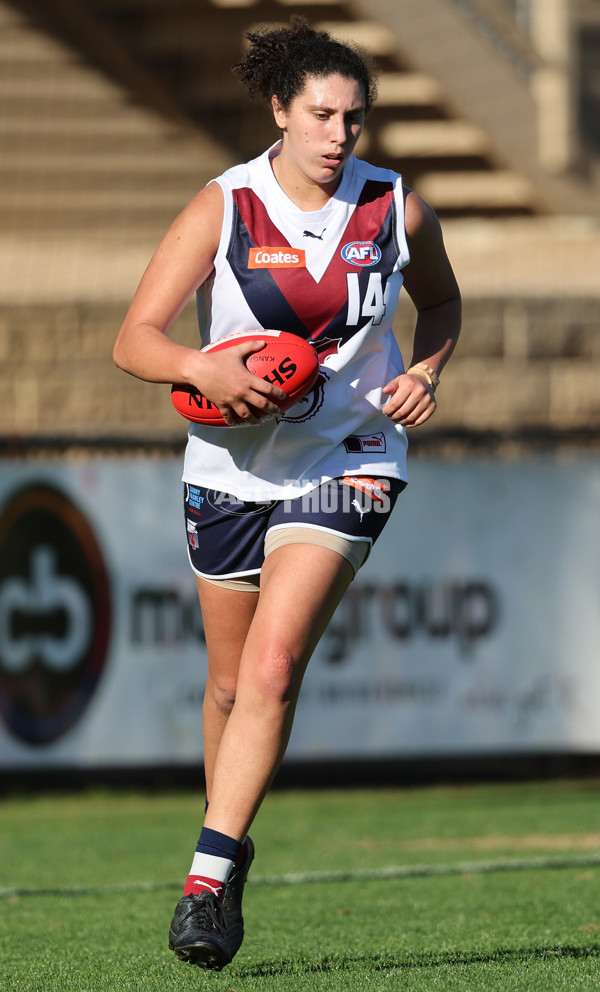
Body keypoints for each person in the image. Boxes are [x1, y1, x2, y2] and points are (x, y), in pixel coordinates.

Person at [113, 16, 461, 972]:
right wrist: (199, 368)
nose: (339, 135)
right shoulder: (225, 206)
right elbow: (133, 339)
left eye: (354, 118)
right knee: (228, 686)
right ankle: (236, 832)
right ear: (279, 109)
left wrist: (427, 369)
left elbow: (443, 301)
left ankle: (206, 879)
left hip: (350, 456)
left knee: (271, 670)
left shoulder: (395, 209)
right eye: (321, 115)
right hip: (228, 469)